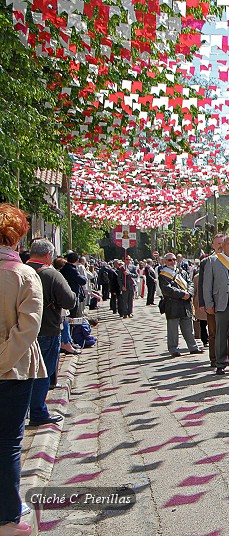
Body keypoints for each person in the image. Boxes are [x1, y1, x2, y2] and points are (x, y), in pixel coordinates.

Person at [0, 204, 45, 536]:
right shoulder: (24, 274)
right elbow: (27, 329)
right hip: (13, 370)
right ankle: (7, 518)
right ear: (17, 238)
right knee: (8, 443)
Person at [25, 239, 76, 427]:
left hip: (20, 330)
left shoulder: (18, 270)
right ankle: (38, 411)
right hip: (46, 328)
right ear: (48, 255)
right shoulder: (51, 274)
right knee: (42, 372)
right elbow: (69, 300)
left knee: (21, 373)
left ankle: (23, 411)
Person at [203, 235, 229, 374]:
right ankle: (220, 363)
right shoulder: (213, 261)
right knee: (221, 335)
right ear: (223, 246)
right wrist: (208, 303)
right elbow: (207, 285)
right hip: (220, 304)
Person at [159, 253, 203, 357]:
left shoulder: (182, 272)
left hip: (185, 304)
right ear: (165, 262)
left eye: (174, 259)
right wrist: (182, 294)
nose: (173, 262)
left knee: (189, 328)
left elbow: (191, 284)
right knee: (173, 330)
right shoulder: (163, 275)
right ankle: (173, 349)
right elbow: (166, 289)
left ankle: (193, 347)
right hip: (173, 305)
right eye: (170, 260)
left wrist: (189, 293)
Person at [198, 234, 225, 368]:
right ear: (213, 246)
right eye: (218, 243)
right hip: (213, 303)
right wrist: (203, 303)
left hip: (228, 303)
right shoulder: (206, 261)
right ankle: (214, 358)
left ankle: (228, 356)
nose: (220, 246)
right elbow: (202, 284)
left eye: (222, 243)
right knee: (213, 332)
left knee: (228, 333)